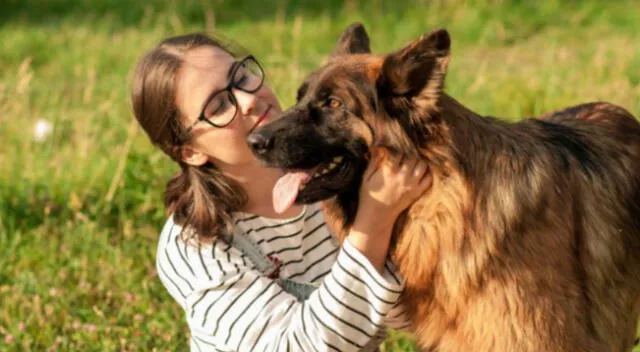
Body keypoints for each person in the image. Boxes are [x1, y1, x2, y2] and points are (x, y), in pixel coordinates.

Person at [130, 32, 432, 352]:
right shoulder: (194, 248)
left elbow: (408, 309)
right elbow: (293, 347)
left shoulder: (331, 173)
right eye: (219, 105)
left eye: (241, 77)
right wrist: (372, 224)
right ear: (189, 151)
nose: (247, 99)